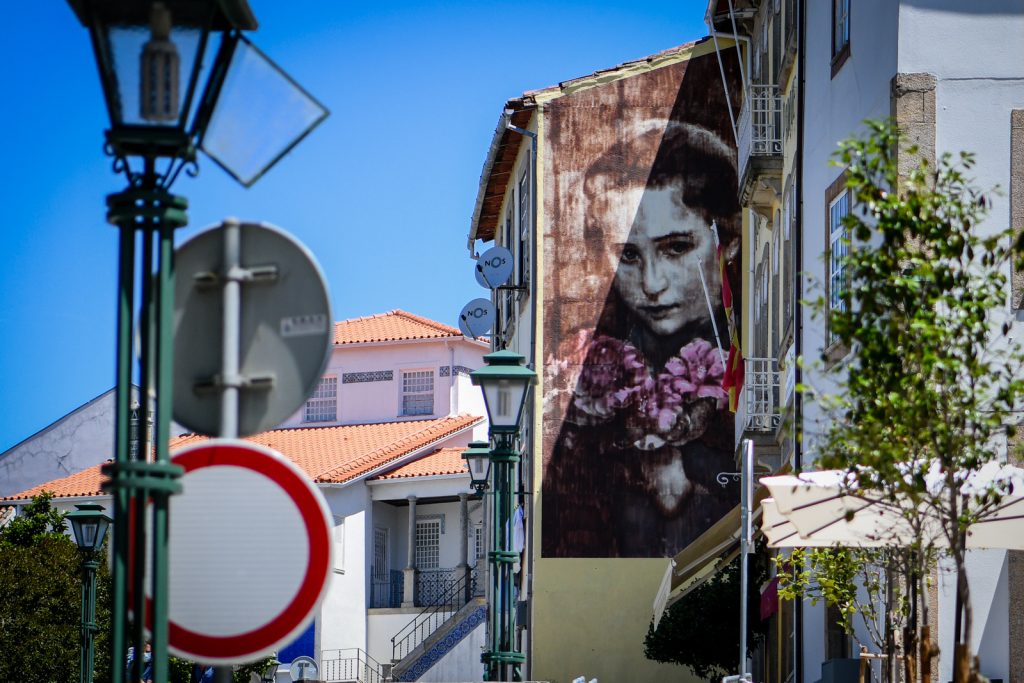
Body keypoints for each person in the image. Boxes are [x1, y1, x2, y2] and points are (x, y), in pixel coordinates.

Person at [543, 119, 741, 558]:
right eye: (628, 255)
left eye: (675, 248)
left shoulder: (749, 364)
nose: (652, 284)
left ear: (728, 240)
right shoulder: (585, 379)